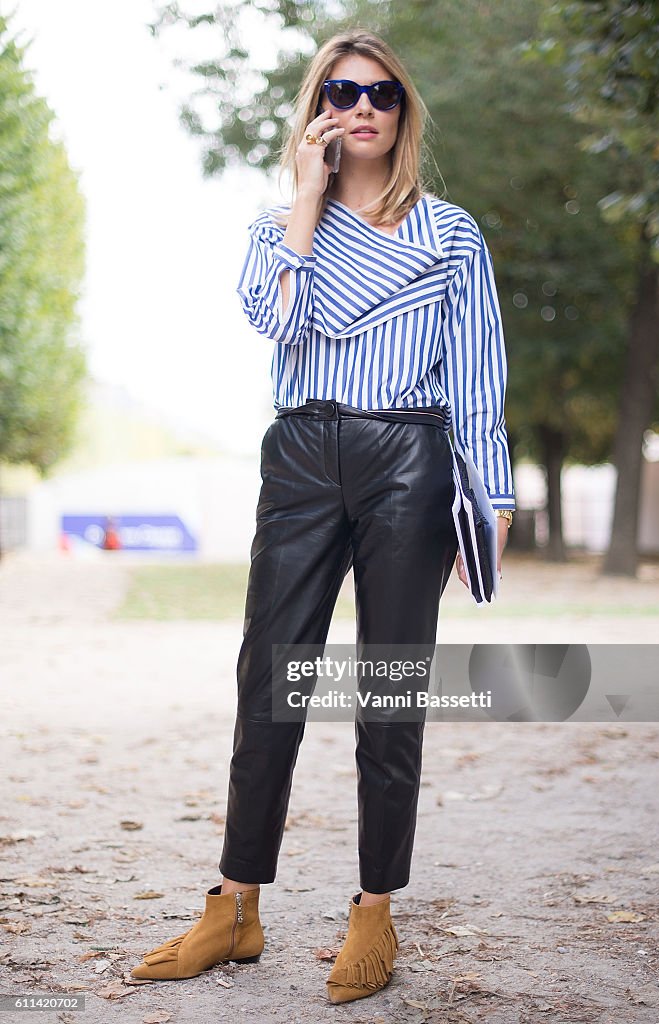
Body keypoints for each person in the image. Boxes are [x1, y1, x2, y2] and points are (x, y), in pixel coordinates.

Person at [130, 28, 515, 1003]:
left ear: (404, 110)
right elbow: (272, 316)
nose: (364, 108)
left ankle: (374, 912)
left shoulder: (449, 232)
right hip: (301, 454)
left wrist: (494, 493)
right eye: (342, 91)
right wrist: (306, 194)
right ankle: (235, 906)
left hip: (409, 458)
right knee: (269, 676)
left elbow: (476, 380)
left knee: (389, 693)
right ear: (318, 105)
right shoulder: (278, 230)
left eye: (382, 94)